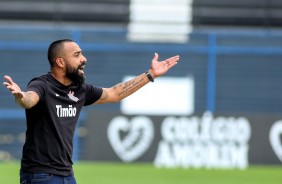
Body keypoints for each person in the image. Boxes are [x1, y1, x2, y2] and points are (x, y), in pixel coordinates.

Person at [3, 39, 180, 184]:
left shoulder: (80, 90)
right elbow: (29, 99)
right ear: (60, 62)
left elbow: (115, 93)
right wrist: (20, 96)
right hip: (40, 175)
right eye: (77, 55)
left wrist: (150, 75)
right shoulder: (42, 84)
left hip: (66, 175)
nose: (84, 59)